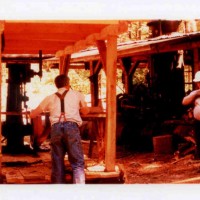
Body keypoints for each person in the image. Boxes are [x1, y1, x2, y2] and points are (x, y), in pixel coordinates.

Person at [30, 74, 90, 183]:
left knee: (57, 162)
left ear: (56, 85)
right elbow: (85, 111)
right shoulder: (78, 95)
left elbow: (33, 114)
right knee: (77, 163)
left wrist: (30, 113)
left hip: (56, 128)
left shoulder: (50, 98)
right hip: (72, 127)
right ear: (68, 83)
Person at [182, 71, 200, 160]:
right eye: (198, 83)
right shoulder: (195, 93)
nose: (199, 84)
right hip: (198, 122)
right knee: (199, 141)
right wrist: (195, 94)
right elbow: (184, 102)